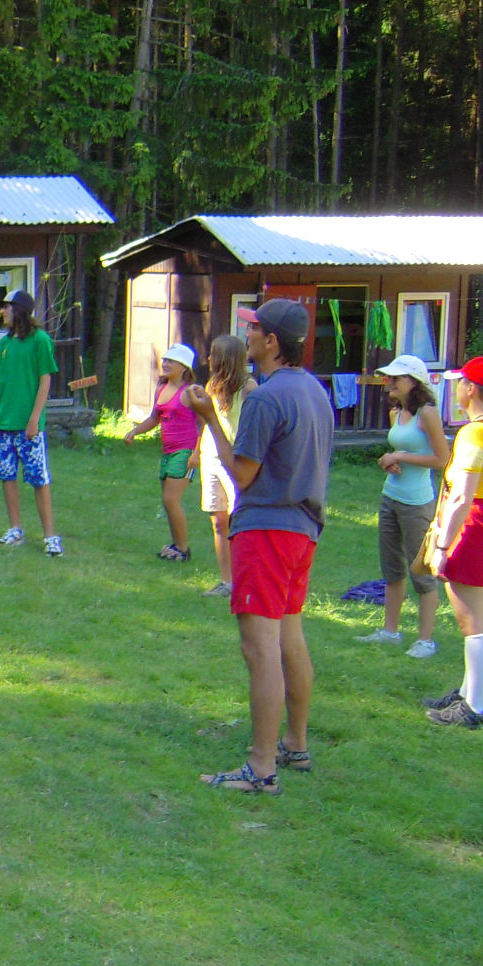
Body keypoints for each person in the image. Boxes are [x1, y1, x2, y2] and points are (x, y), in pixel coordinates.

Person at [186, 297, 331, 794]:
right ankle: (295, 744)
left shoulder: (266, 398)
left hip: (267, 531)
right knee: (289, 636)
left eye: (253, 330)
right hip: (303, 530)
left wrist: (209, 418)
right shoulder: (314, 391)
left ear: (272, 342)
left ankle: (261, 767)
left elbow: (243, 475)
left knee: (260, 648)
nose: (245, 335)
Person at [418, 356, 483, 728]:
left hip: (475, 528)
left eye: (461, 382)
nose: (457, 388)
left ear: (471, 389)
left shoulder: (474, 433)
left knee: (473, 622)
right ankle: (469, 692)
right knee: (482, 619)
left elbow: (462, 495)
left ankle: (475, 708)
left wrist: (442, 547)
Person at [359, 354, 448, 657]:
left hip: (417, 503)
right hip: (390, 496)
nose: (389, 382)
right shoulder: (395, 412)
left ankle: (425, 640)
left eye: (396, 378)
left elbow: (442, 459)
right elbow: (398, 451)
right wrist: (388, 461)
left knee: (421, 571)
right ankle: (390, 632)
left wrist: (399, 457)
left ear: (413, 381)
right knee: (392, 569)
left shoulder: (428, 414)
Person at [0, 289, 61, 555]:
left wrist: (34, 419)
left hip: (28, 425)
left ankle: (50, 537)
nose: (2, 311)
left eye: (6, 307)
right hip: (3, 422)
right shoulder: (5, 343)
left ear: (19, 310)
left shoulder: (40, 340)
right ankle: (15, 529)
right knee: (6, 476)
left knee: (38, 479)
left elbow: (45, 380)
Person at [123, 342, 200, 560]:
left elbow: (204, 425)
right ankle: (176, 546)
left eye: (171, 361)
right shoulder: (161, 389)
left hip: (185, 451)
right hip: (167, 451)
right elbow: (154, 418)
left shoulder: (191, 392)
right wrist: (135, 431)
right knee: (167, 502)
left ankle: (183, 549)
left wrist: (197, 453)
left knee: (170, 499)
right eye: (164, 360)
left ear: (184, 367)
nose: (165, 364)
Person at [196, 333, 256, 598]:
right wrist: (196, 451)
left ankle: (246, 581)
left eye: (213, 354)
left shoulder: (249, 388)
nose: (208, 358)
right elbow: (208, 422)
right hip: (210, 456)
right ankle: (227, 582)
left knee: (239, 520)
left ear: (226, 358)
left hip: (235, 460)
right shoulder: (212, 386)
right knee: (218, 520)